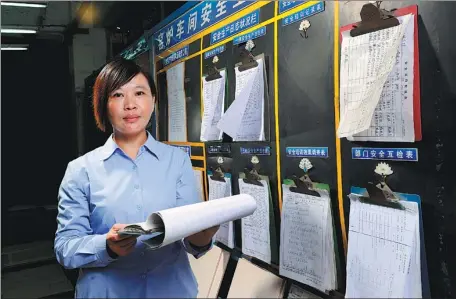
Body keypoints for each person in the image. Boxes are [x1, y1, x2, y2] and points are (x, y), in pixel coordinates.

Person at [54, 58, 219, 298]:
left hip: (171, 291)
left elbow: (187, 236)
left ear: (153, 100)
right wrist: (106, 246)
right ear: (103, 105)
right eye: (118, 95)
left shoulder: (178, 161)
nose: (130, 105)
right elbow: (65, 248)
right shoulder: (81, 170)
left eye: (139, 93)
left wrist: (200, 239)